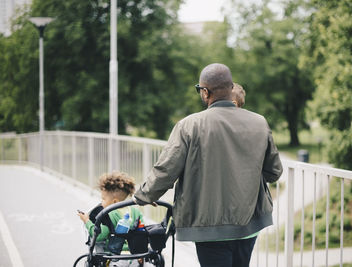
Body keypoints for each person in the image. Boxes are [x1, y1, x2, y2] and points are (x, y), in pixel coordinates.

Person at [134, 63, 283, 267]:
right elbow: (274, 172)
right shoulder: (259, 122)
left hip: (208, 227)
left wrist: (143, 195)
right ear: (231, 88)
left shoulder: (189, 125)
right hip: (250, 222)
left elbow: (166, 170)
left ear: (205, 92)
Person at [78, 171, 144, 266]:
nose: (101, 202)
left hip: (115, 258)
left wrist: (86, 221)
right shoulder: (135, 211)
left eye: (103, 199)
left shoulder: (107, 215)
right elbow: (142, 233)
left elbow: (99, 236)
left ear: (114, 201)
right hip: (134, 258)